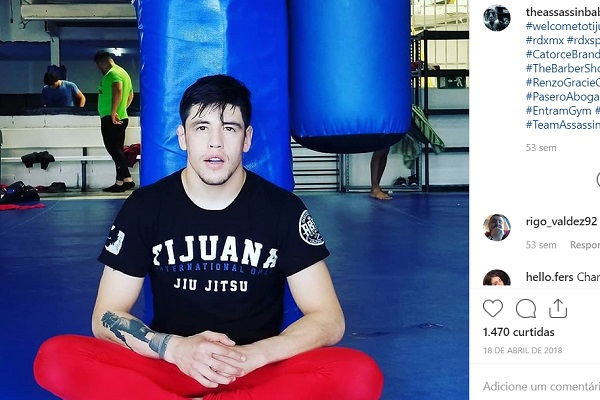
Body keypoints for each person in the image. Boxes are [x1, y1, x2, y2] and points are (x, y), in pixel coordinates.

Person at [33, 74, 384, 400]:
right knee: (56, 358)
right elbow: (105, 316)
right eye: (202, 127)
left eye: (229, 128)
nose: (215, 142)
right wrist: (176, 349)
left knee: (359, 374)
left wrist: (253, 355)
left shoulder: (282, 209)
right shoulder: (145, 207)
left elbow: (328, 318)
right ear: (183, 136)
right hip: (172, 365)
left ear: (247, 138)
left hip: (254, 367)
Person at [93, 50, 135, 193]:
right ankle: (119, 182)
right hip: (120, 117)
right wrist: (122, 109)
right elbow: (130, 95)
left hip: (111, 118)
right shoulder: (124, 73)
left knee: (114, 149)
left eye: (98, 66)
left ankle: (127, 180)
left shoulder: (112, 74)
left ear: (101, 63)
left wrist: (113, 112)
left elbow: (118, 90)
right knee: (118, 150)